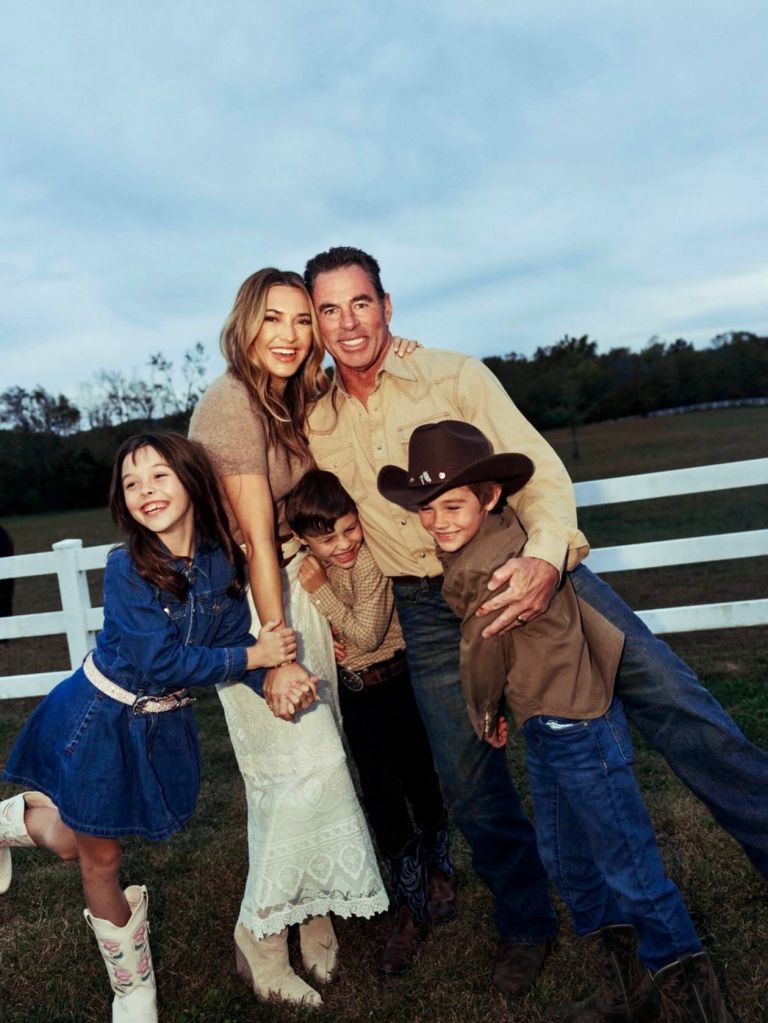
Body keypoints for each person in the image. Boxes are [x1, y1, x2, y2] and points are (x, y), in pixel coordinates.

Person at [303, 245, 768, 997]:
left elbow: (539, 469)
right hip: (428, 607)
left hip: (527, 567)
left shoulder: (452, 375)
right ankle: (526, 922)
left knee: (674, 699)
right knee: (467, 773)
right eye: (329, 308)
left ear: (387, 306)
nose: (348, 321)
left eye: (361, 302)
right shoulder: (314, 420)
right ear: (318, 324)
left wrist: (547, 559)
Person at [378, 419, 736, 1021]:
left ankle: (696, 1004)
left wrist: (485, 711)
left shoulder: (483, 568)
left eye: (453, 505)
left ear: (490, 496)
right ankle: (625, 990)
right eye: (428, 509)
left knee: (629, 866)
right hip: (548, 725)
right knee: (568, 860)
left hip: (579, 728)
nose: (438, 521)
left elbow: (481, 652)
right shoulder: (506, 535)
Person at [0, 432, 313, 1022]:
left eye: (159, 475)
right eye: (131, 482)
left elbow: (223, 642)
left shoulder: (222, 560)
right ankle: (132, 989)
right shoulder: (127, 569)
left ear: (191, 480)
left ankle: (13, 820)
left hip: (161, 727)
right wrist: (256, 658)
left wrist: (276, 676)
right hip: (98, 719)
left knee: (75, 845)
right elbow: (158, 662)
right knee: (96, 859)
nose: (146, 490)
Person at [188, 268, 389, 1008]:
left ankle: (312, 909)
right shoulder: (232, 402)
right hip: (247, 609)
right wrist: (275, 650)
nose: (291, 335)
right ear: (246, 323)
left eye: (303, 320)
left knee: (315, 755)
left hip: (293, 594)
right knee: (296, 765)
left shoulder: (288, 401)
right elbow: (254, 541)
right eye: (274, 318)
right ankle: (260, 934)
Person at [284, 468, 455, 975]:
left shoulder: (367, 562)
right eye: (326, 537)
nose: (343, 544)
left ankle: (439, 872)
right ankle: (410, 903)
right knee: (380, 794)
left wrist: (323, 597)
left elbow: (365, 631)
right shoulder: (303, 559)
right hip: (356, 697)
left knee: (420, 777)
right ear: (301, 539)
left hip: (397, 682)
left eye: (349, 528)